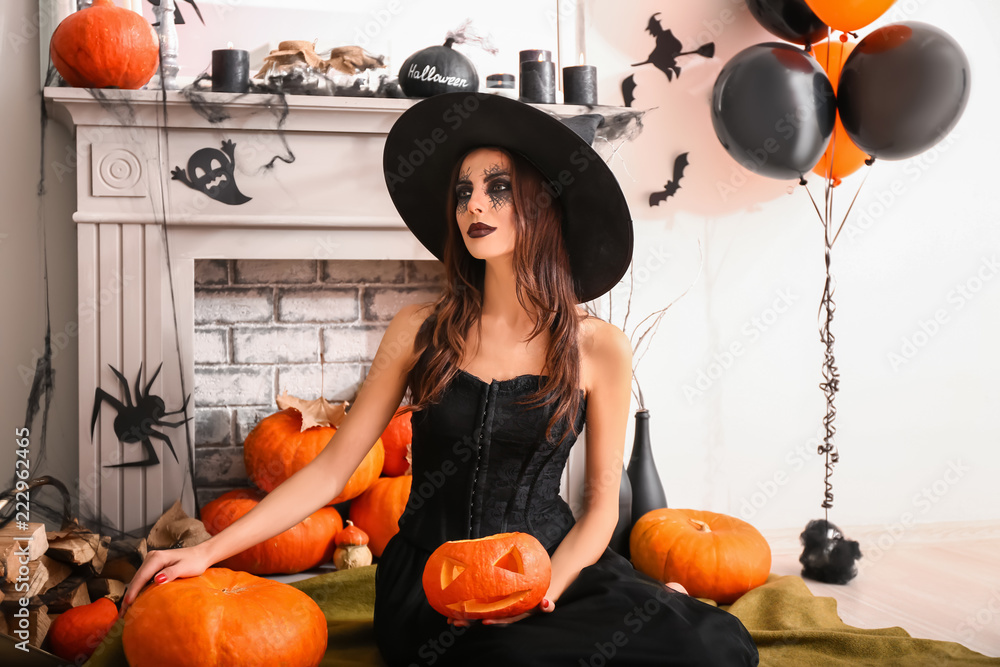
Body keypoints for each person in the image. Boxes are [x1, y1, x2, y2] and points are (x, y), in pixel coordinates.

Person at [122, 92, 759, 666]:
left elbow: (597, 511)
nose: (474, 204)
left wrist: (544, 591)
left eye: (499, 188)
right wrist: (208, 550)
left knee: (711, 648)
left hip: (548, 566)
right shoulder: (418, 330)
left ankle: (647, 607)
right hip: (434, 582)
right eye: (463, 190)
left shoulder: (599, 349)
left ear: (541, 203)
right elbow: (329, 469)